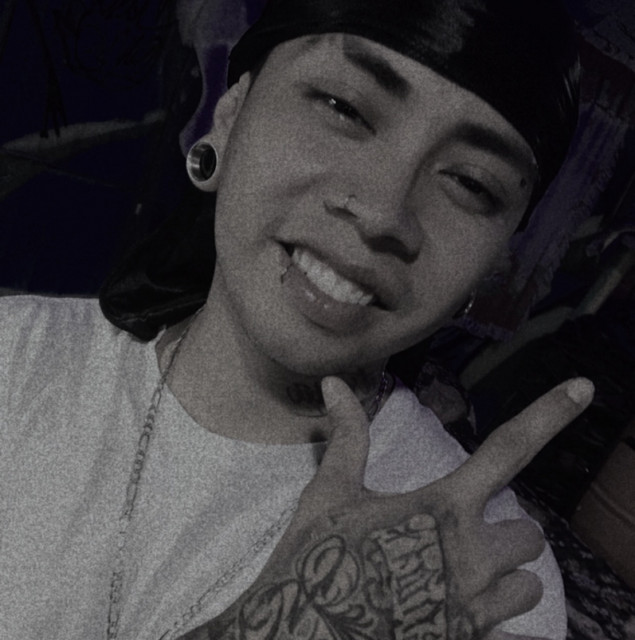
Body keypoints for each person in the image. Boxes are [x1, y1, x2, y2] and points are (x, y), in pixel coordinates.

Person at [0, 0, 593, 638]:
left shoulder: (483, 574)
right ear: (230, 115)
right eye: (344, 107)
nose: (383, 211)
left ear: (494, 263)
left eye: (473, 183)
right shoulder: (14, 358)